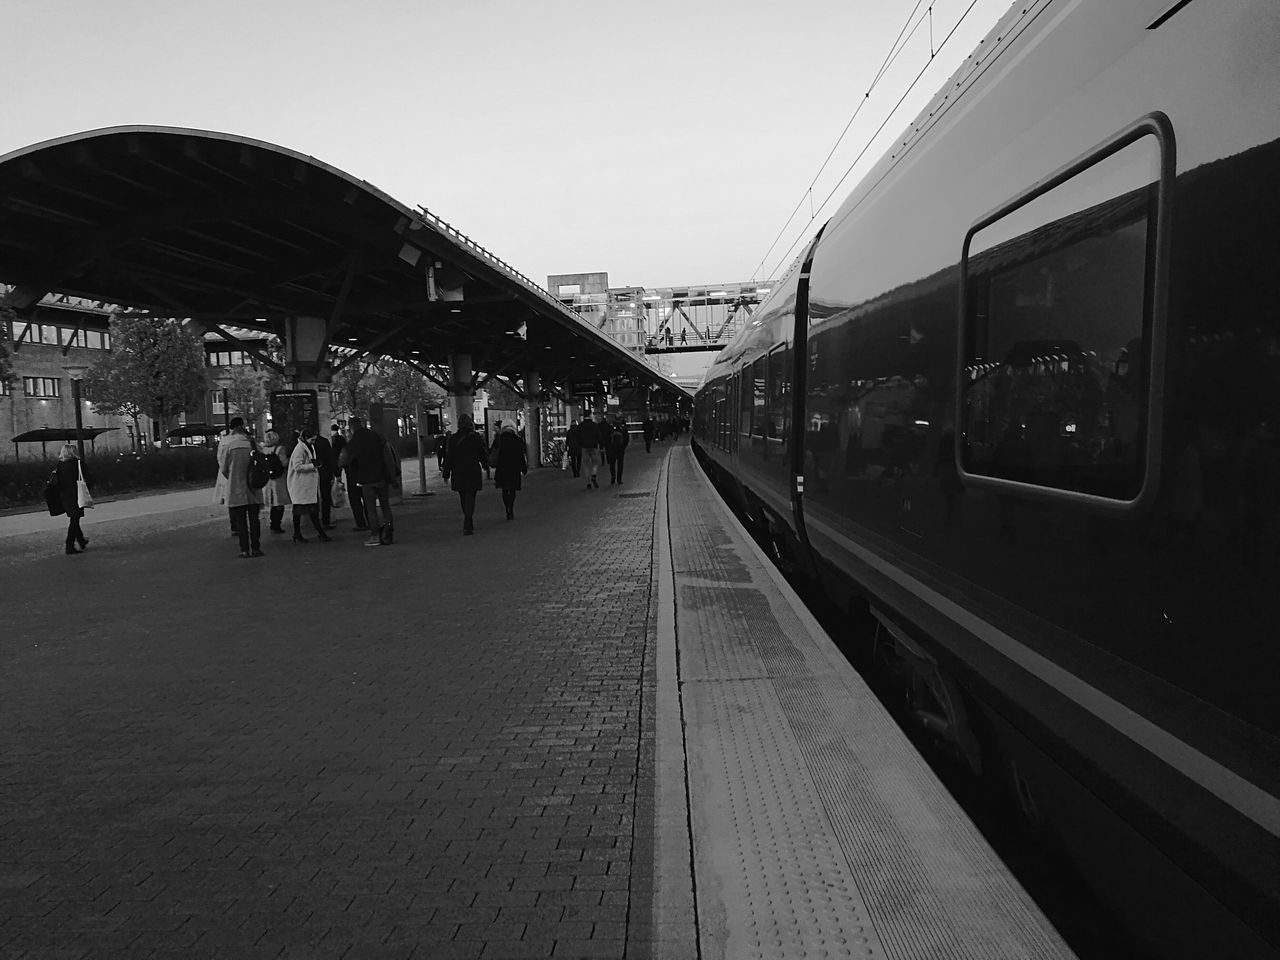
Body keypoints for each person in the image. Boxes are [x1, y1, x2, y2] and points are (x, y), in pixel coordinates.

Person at [343, 415, 394, 546]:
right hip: (382, 476)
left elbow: (344, 460)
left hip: (366, 479)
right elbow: (387, 454)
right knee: (385, 506)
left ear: (351, 427)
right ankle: (388, 533)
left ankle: (375, 535)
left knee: (371, 510)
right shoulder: (376, 436)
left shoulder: (354, 442)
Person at [218, 417, 263, 559]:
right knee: (254, 519)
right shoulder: (252, 444)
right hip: (253, 486)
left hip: (236, 487)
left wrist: (232, 476)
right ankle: (256, 548)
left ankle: (244, 549)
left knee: (241, 521)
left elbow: (223, 468)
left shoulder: (230, 446)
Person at [442, 413, 489, 535]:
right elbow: (482, 453)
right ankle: (468, 520)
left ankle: (467, 519)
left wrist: (446, 474)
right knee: (471, 495)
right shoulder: (476, 437)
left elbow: (449, 457)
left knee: (463, 495)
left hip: (458, 471)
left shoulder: (453, 439)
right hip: (472, 470)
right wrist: (485, 465)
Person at [287, 427, 332, 543]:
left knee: (302, 511)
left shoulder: (306, 447)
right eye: (312, 440)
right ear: (306, 438)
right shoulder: (300, 449)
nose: (314, 442)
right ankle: (319, 533)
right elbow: (297, 467)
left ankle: (298, 534)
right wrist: (313, 466)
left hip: (305, 486)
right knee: (311, 511)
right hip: (302, 485)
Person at [55, 443, 92, 555]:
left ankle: (80, 540)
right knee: (75, 519)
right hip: (77, 493)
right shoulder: (78, 464)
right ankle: (69, 545)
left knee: (74, 517)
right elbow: (88, 478)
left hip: (65, 495)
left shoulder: (60, 465)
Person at [492, 422, 528, 520]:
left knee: (504, 489)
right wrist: (524, 468)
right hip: (514, 468)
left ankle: (506, 506)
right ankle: (511, 507)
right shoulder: (517, 440)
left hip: (502, 468)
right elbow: (521, 456)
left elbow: (493, 451)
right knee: (512, 489)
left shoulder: (498, 440)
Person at [261, 429, 291, 534]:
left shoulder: (262, 449)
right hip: (278, 478)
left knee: (272, 502)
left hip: (267, 479)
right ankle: (276, 524)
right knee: (279, 502)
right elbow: (284, 463)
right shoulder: (280, 449)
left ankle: (272, 523)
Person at [312, 427, 337, 530]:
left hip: (311, 473)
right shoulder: (323, 442)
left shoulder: (304, 444)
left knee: (313, 498)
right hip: (325, 473)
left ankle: (315, 521)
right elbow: (330, 458)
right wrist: (336, 473)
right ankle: (325, 521)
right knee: (325, 497)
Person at [578, 412, 602, 489]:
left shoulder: (581, 426)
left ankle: (588, 483)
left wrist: (581, 444)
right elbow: (599, 436)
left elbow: (578, 437)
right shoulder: (594, 425)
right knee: (595, 463)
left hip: (584, 447)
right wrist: (600, 445)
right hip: (593, 446)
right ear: (590, 415)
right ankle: (594, 475)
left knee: (586, 465)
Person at [605, 416, 629, 485]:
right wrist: (624, 446)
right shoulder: (623, 428)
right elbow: (626, 439)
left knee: (612, 463)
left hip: (612, 448)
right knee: (620, 464)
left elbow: (607, 438)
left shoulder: (610, 428)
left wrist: (609, 447)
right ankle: (619, 479)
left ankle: (613, 476)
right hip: (620, 449)